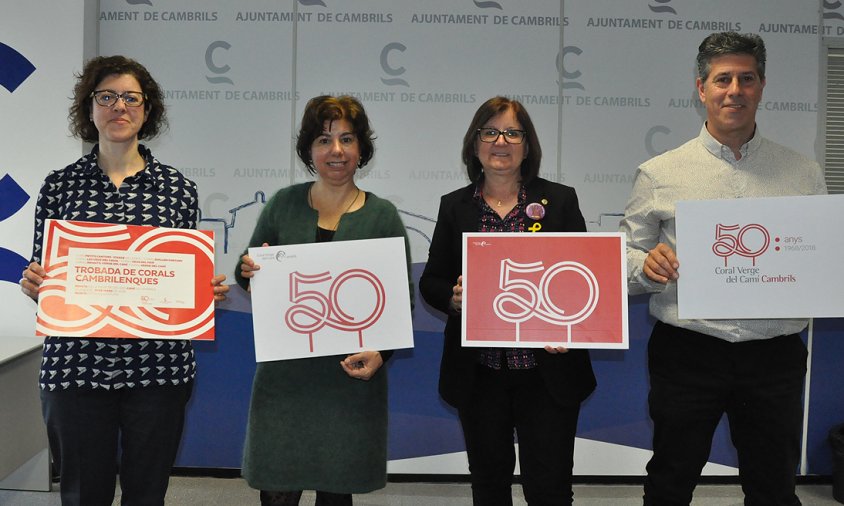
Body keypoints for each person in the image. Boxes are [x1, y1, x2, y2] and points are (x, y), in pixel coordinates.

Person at [620, 32, 827, 506]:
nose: (735, 90)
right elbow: (626, 259)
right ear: (702, 89)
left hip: (773, 354)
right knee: (670, 480)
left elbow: (817, 258)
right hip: (688, 351)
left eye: (746, 79)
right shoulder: (659, 172)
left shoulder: (803, 173)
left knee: (774, 486)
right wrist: (646, 266)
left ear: (762, 86)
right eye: (723, 79)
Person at [18, 55, 229, 506]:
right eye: (107, 97)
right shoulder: (59, 187)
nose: (120, 107)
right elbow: (47, 274)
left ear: (147, 110)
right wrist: (36, 283)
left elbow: (183, 274)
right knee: (82, 495)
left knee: (146, 494)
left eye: (131, 98)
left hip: (158, 367)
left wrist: (200, 292)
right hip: (75, 367)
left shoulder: (178, 190)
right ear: (89, 108)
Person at [418, 96, 597, 506]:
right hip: (480, 373)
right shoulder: (455, 206)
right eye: (490, 132)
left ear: (527, 144)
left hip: (546, 369)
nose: (502, 141)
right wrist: (453, 297)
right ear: (475, 144)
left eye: (513, 132)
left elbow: (587, 281)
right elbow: (431, 280)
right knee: (489, 483)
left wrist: (569, 325)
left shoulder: (561, 201)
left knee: (549, 487)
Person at [235, 95, 412, 506]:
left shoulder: (383, 216)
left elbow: (399, 303)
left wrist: (381, 353)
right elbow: (249, 277)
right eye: (323, 139)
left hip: (348, 382)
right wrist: (249, 271)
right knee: (277, 491)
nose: (336, 151)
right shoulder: (283, 204)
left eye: (347, 139)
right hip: (285, 382)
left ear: (361, 149)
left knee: (336, 495)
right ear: (308, 150)